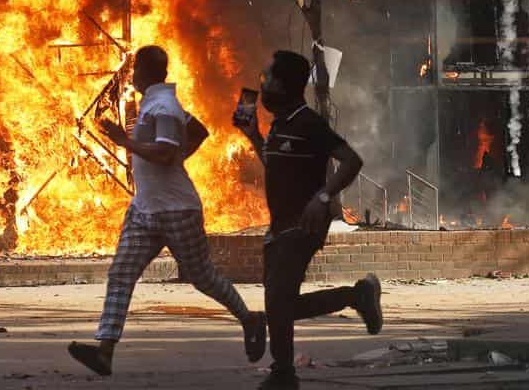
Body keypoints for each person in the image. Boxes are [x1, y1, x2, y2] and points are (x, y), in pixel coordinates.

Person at [69, 45, 267, 377]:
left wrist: (125, 141)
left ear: (145, 72)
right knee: (121, 273)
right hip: (145, 209)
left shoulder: (163, 107)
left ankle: (250, 319)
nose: (131, 76)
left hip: (177, 210)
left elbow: (162, 154)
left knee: (203, 277)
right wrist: (179, 156)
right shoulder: (157, 102)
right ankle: (104, 351)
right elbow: (199, 131)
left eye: (134, 70)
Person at [233, 49, 383, 390]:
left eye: (268, 78)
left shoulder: (309, 123)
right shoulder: (280, 125)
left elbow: (351, 160)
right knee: (280, 306)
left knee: (277, 304)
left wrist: (324, 197)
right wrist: (254, 136)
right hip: (280, 226)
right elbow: (279, 167)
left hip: (303, 226)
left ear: (285, 85)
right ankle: (356, 296)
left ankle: (283, 374)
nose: (263, 83)